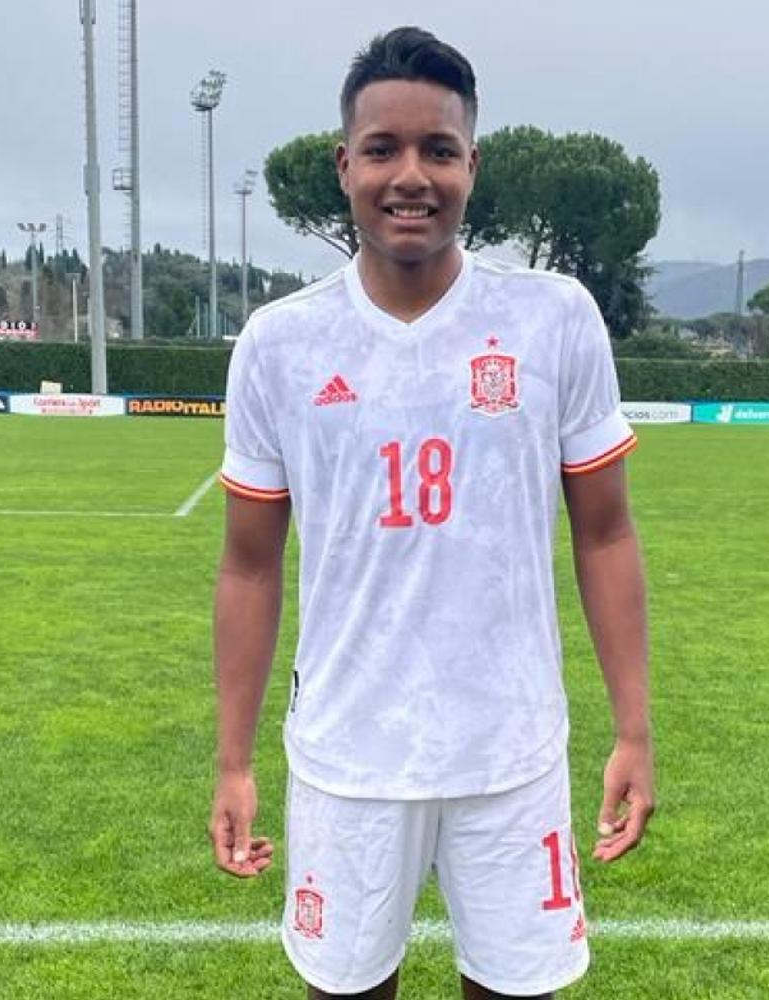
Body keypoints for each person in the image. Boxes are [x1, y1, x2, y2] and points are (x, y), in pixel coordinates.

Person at [211, 26, 654, 1000]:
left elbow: (607, 530)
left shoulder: (554, 320)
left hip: (510, 751)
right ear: (344, 165)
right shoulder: (281, 344)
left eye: (438, 150)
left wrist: (635, 729)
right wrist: (234, 761)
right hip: (345, 759)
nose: (411, 175)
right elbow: (248, 565)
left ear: (471, 165)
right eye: (383, 149)